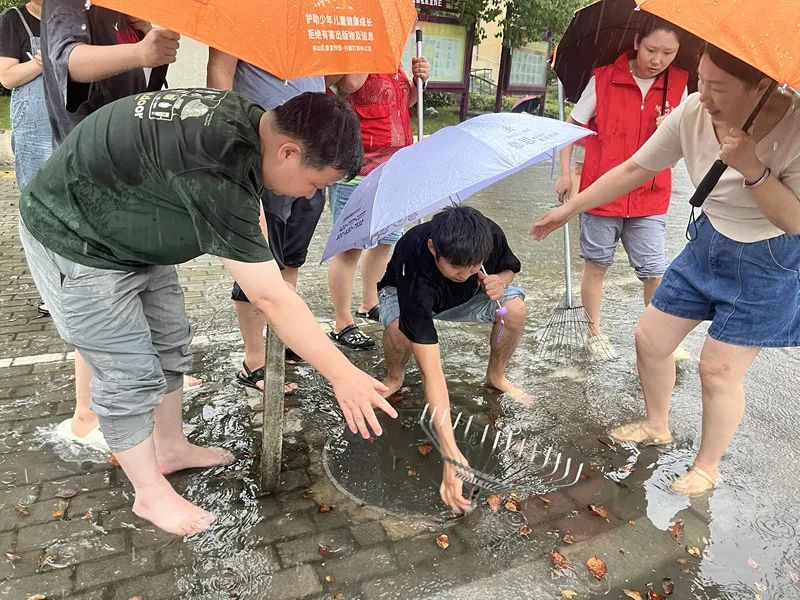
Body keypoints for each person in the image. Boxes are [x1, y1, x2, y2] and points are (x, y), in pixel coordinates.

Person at [20, 89, 398, 535]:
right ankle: (149, 493)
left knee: (169, 340)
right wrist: (343, 374)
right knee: (127, 373)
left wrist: (260, 244)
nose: (310, 195)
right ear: (288, 152)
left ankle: (169, 447)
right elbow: (270, 297)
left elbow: (247, 208)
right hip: (77, 237)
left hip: (135, 224)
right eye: (316, 184)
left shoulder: (253, 122)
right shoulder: (215, 166)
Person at [532, 44, 800, 496]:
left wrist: (753, 167)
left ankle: (707, 467)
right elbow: (635, 168)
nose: (702, 95)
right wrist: (571, 208)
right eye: (701, 79)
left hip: (769, 257)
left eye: (718, 87)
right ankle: (657, 425)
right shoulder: (693, 112)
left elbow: (794, 220)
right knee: (651, 338)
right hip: (708, 241)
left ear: (761, 86)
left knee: (717, 368)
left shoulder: (795, 125)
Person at [40, 0, 178, 452]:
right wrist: (141, 51)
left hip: (131, 177)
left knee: (139, 300)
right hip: (90, 182)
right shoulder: (70, 3)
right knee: (102, 308)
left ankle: (155, 420)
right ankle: (86, 415)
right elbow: (69, 61)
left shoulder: (123, 10)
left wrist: (147, 36)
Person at [555, 18, 690, 361]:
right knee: (596, 265)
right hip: (601, 191)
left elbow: (693, 139)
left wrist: (675, 128)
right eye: (651, 50)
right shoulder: (603, 78)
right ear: (636, 42)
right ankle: (594, 333)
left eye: (668, 53)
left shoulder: (680, 85)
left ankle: (661, 337)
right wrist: (566, 173)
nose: (658, 60)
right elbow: (572, 128)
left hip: (650, 193)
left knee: (654, 270)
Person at [378, 206, 528, 512]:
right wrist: (449, 451)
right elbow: (432, 371)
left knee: (514, 310)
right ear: (434, 247)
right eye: (457, 267)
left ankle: (497, 375)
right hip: (405, 293)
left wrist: (498, 280)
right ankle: (394, 377)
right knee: (399, 331)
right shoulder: (414, 256)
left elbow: (509, 267)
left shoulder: (487, 234)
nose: (464, 274)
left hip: (469, 299)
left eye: (473, 266)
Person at [206, 48, 327, 393]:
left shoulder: (314, 24)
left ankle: (284, 334)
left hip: (311, 154)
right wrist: (232, 145)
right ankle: (255, 359)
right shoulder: (243, 20)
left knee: (290, 259)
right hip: (265, 155)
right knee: (256, 262)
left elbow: (338, 80)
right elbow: (220, 74)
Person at [324, 56, 430, 350]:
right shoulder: (358, 49)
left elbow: (401, 104)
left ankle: (369, 302)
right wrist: (366, 52)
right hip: (359, 168)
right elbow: (350, 84)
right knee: (350, 248)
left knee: (386, 241)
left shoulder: (392, 60)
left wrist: (417, 83)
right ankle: (342, 322)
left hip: (394, 169)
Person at [0, 0, 52, 317]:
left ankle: (78, 285)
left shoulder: (78, 16)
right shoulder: (14, 19)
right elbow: (6, 77)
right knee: (39, 208)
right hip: (35, 131)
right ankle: (50, 292)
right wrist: (41, 63)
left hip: (72, 121)